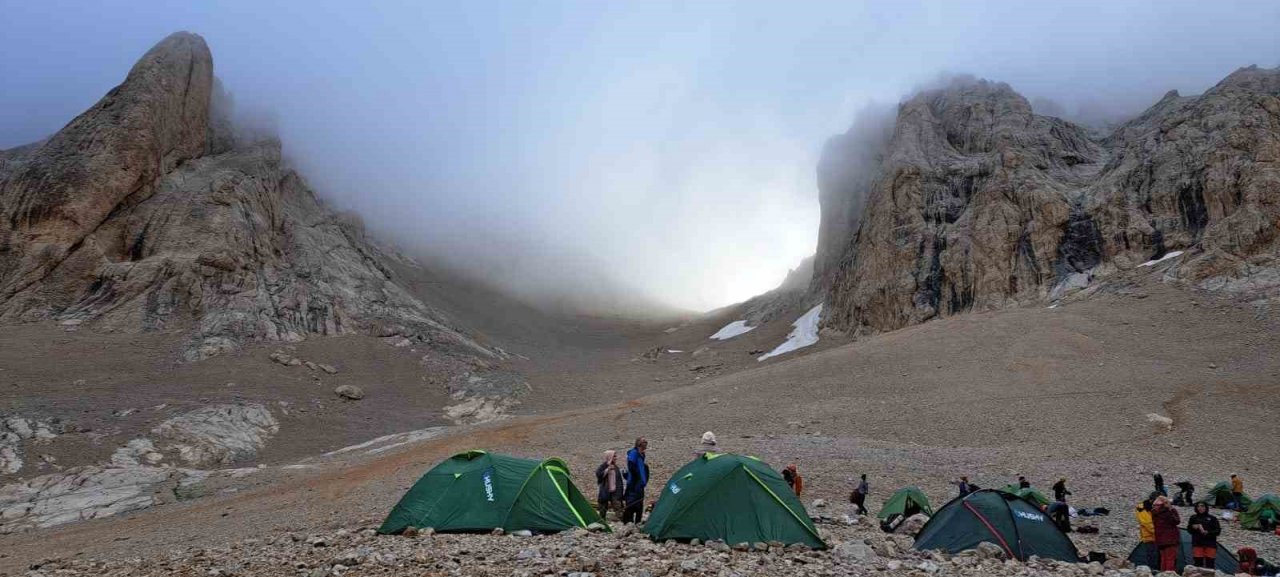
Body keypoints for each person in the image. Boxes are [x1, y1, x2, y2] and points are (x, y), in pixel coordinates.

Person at [622, 438, 650, 524]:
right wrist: (637, 478)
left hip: (640, 484)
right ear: (639, 444)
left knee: (639, 503)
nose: (646, 443)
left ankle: (637, 522)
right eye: (644, 442)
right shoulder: (634, 453)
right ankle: (628, 522)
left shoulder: (642, 455)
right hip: (634, 484)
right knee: (632, 502)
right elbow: (631, 466)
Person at [1152, 496, 1182, 572]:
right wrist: (1170, 509)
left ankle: (1163, 573)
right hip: (1171, 539)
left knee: (1163, 559)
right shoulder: (1168, 511)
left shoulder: (1155, 513)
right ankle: (1169, 574)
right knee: (1170, 559)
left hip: (1160, 539)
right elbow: (1176, 521)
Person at [1188, 502, 1222, 569]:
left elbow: (1218, 531)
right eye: (1198, 506)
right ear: (1196, 508)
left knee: (1210, 564)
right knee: (1198, 564)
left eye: (1202, 506)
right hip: (1197, 543)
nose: (1200, 508)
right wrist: (1193, 527)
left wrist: (1208, 532)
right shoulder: (1193, 518)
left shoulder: (1212, 518)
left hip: (1210, 544)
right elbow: (1189, 530)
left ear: (1206, 508)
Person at [595, 450, 625, 520]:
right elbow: (598, 474)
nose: (615, 458)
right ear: (610, 457)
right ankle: (602, 522)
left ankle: (624, 525)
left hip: (615, 492)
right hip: (605, 491)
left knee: (618, 508)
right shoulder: (603, 466)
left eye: (615, 456)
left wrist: (621, 493)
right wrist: (607, 469)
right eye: (614, 456)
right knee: (603, 508)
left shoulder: (616, 467)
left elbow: (619, 481)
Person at [1136, 500, 1157, 570]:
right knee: (1151, 555)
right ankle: (1151, 569)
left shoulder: (1147, 509)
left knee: (1152, 554)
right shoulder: (1142, 510)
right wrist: (1158, 532)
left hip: (1152, 536)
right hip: (1149, 536)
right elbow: (1148, 524)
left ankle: (1152, 569)